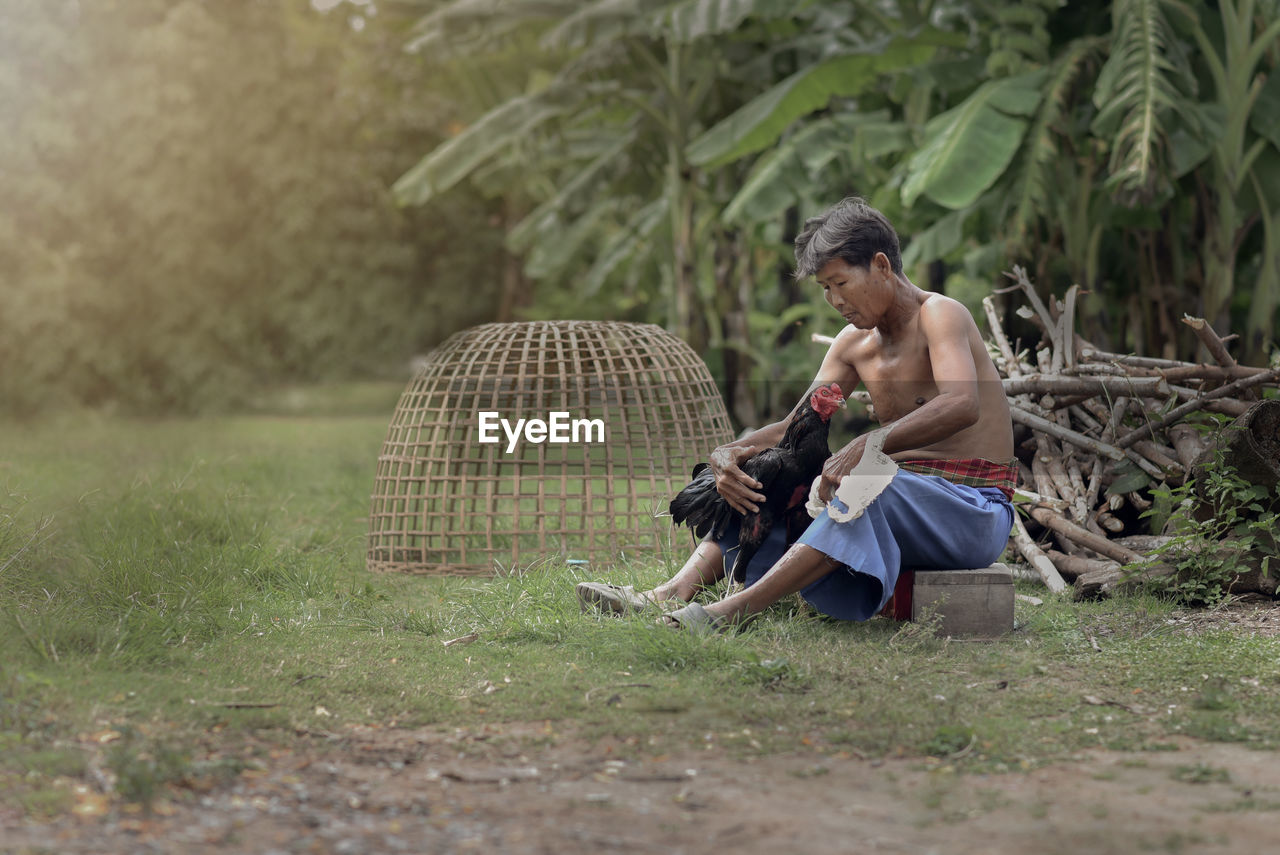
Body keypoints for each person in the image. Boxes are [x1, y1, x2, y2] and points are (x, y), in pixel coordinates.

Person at [577, 197, 1017, 630]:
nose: (833, 300)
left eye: (841, 283)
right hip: (894, 498)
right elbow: (793, 427)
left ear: (881, 265)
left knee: (868, 480)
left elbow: (963, 404)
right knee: (764, 473)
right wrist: (730, 454)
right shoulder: (854, 344)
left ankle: (728, 614)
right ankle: (671, 592)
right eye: (824, 288)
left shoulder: (940, 315)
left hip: (973, 511)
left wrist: (869, 442)